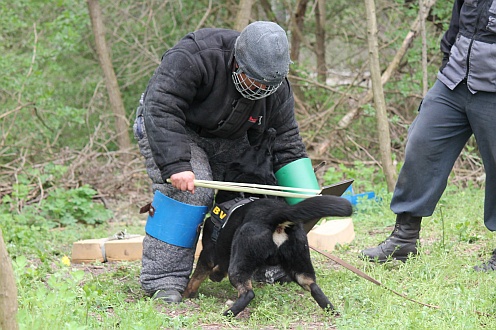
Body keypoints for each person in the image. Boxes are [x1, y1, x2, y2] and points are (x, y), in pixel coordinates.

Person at [133, 21, 320, 303]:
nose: (260, 89)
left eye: (268, 84)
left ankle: (265, 264)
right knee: (191, 193)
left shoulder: (276, 88)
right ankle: (164, 279)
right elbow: (161, 107)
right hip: (175, 129)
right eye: (253, 79)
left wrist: (306, 194)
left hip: (229, 137)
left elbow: (285, 140)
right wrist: (176, 164)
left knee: (263, 191)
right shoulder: (195, 56)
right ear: (236, 61)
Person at [360, 0, 496, 270]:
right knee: (421, 144)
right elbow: (457, 25)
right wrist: (448, 61)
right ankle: (404, 239)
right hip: (453, 82)